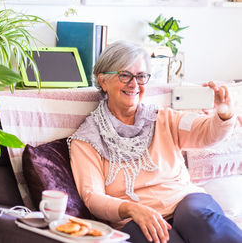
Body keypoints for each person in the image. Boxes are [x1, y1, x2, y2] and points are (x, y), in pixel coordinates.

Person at [68, 40, 242, 243]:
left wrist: (223, 114)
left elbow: (206, 133)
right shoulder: (87, 139)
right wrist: (132, 208)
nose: (134, 84)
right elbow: (93, 197)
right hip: (134, 218)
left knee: (197, 218)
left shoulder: (165, 118)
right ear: (103, 81)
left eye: (141, 76)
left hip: (185, 202)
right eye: (125, 75)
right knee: (156, 236)